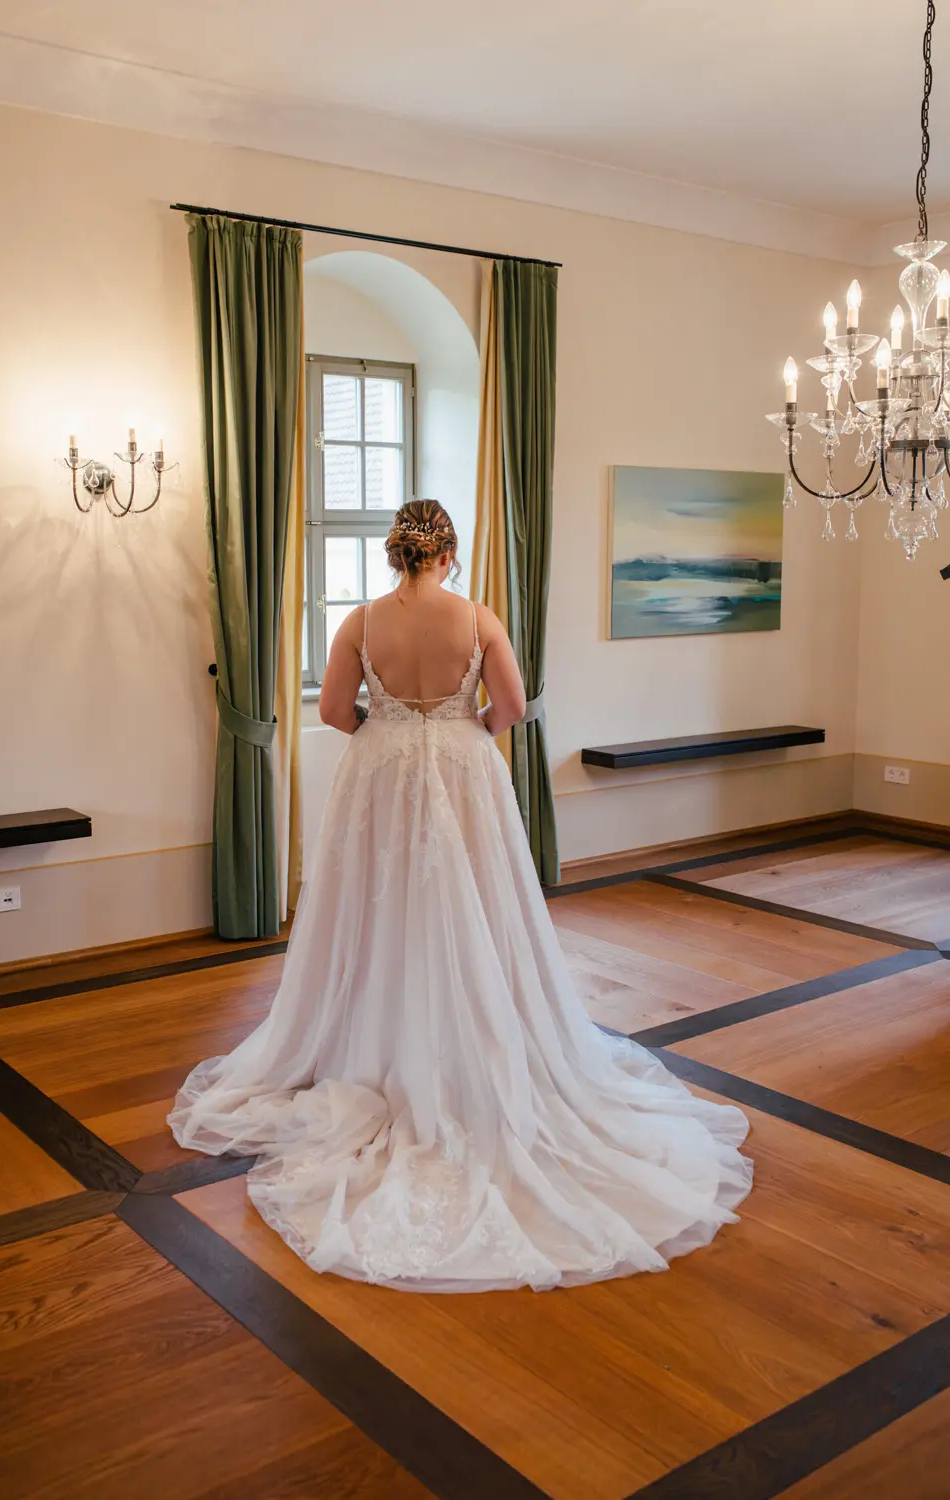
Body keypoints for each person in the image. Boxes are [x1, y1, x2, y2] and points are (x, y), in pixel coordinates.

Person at [169, 500, 751, 1292]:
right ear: (449, 552)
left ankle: (370, 1041)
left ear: (394, 554)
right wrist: (457, 722)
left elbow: (337, 711)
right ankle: (477, 1034)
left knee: (377, 912)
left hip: (379, 773)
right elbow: (511, 710)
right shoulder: (477, 618)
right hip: (462, 768)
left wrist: (392, 729)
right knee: (475, 905)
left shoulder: (360, 623)